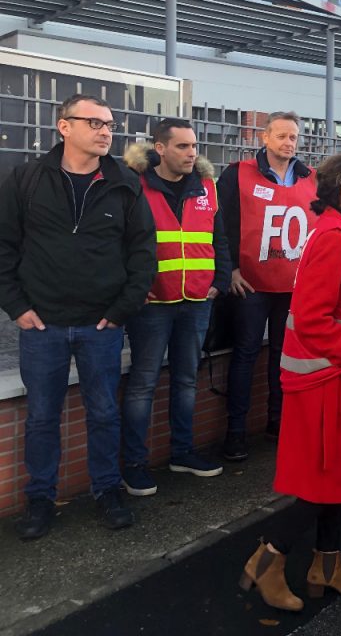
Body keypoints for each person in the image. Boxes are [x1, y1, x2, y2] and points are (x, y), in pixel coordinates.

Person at [240, 154, 341, 612]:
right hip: (330, 379)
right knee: (324, 483)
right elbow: (312, 319)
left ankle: (326, 568)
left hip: (335, 377)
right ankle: (268, 559)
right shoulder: (334, 238)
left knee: (337, 478)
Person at [0, 94, 156, 538]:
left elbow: (143, 253)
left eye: (110, 124)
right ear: (64, 127)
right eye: (95, 122)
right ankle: (40, 498)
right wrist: (17, 306)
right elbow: (3, 247)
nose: (106, 131)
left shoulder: (124, 183)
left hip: (100, 325)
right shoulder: (27, 179)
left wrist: (122, 309)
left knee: (104, 412)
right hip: (42, 325)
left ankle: (107, 489)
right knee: (43, 417)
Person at [120, 121, 232, 496]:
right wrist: (134, 289)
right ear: (160, 148)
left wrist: (220, 280)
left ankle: (181, 453)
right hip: (151, 303)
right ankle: (134, 464)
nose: (191, 153)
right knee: (143, 384)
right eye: (182, 146)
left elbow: (220, 239)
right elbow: (120, 243)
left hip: (198, 300)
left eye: (194, 146)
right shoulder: (134, 186)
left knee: (186, 380)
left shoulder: (208, 188)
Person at [217, 112, 317, 461]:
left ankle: (278, 422)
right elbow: (221, 225)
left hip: (292, 286)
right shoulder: (237, 175)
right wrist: (228, 269)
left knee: (282, 355)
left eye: (294, 137)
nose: (289, 143)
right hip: (251, 286)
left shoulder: (311, 179)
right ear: (264, 137)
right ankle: (236, 432)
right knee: (245, 354)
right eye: (282, 136)